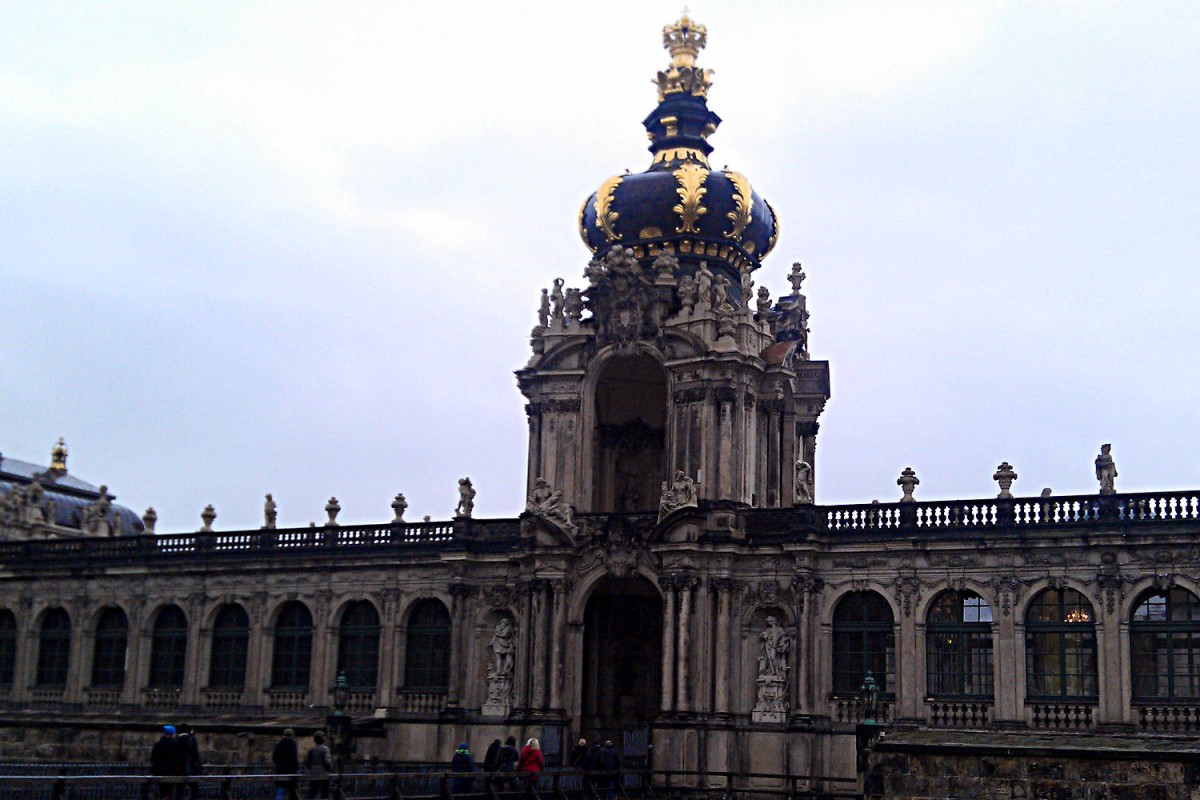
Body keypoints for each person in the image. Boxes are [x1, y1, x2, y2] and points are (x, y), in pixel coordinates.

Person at [150, 725, 185, 800]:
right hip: (171, 772)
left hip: (158, 772)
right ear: (172, 734)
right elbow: (177, 759)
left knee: (162, 792)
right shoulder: (175, 745)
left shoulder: (157, 745)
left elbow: (153, 759)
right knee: (169, 793)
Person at [272, 728, 300, 800]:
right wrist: (295, 769)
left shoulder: (279, 744)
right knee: (292, 791)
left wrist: (279, 765)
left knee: (280, 790)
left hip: (280, 770)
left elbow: (274, 757)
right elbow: (294, 758)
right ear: (292, 735)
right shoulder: (292, 744)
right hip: (290, 771)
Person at [304, 731, 333, 800]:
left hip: (313, 774)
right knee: (324, 793)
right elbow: (327, 762)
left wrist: (310, 769)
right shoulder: (325, 749)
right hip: (323, 774)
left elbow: (307, 762)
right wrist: (329, 769)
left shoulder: (311, 749)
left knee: (312, 793)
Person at [176, 725, 202, 800]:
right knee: (194, 789)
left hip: (179, 769)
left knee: (179, 791)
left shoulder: (176, 740)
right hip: (190, 768)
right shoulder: (191, 739)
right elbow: (195, 755)